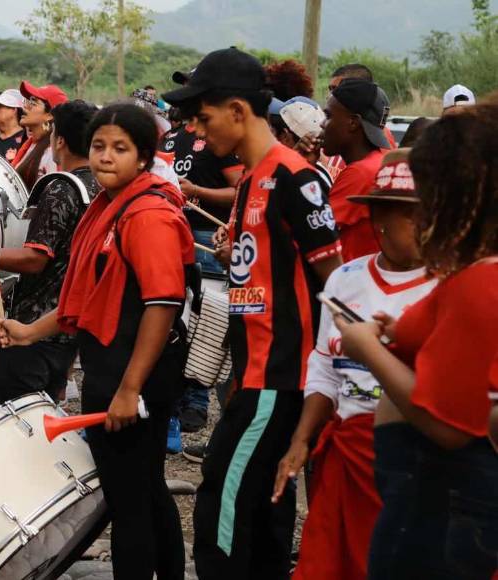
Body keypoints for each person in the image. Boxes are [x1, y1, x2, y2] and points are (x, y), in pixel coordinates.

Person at [162, 47, 343, 579]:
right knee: (266, 509)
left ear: (238, 111)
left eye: (203, 117)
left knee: (222, 504)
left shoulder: (294, 177)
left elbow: (336, 281)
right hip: (253, 374)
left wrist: (329, 382)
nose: (196, 130)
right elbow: (265, 273)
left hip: (280, 378)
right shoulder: (250, 179)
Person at [0, 102, 192, 579]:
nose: (106, 156)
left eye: (120, 148)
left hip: (135, 370)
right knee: (144, 488)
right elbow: (88, 297)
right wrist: (30, 331)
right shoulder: (108, 207)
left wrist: (130, 388)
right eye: (100, 146)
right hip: (114, 364)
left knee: (128, 499)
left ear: (144, 157)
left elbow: (162, 304)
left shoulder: (146, 215)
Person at [335, 102, 498, 580]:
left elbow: (448, 425)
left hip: (440, 499)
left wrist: (367, 349)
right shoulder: (472, 272)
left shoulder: (479, 283)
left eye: (427, 198)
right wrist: (400, 334)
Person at [271, 148, 436, 580]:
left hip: (414, 462)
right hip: (348, 456)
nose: (427, 226)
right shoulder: (346, 280)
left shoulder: (449, 285)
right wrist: (301, 439)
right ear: (378, 217)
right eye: (411, 215)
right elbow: (325, 366)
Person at [0, 100, 100, 408]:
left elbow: (35, 259)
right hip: (68, 324)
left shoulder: (61, 189)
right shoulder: (97, 186)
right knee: (44, 414)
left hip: (33, 328)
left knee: (12, 416)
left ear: (60, 141)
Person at [160, 67, 243, 438]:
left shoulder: (219, 141)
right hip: (173, 237)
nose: (184, 97)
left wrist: (196, 191)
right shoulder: (170, 139)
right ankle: (175, 405)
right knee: (176, 320)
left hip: (210, 238)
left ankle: (196, 403)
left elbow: (239, 190)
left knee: (204, 322)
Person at [322, 78, 390, 262]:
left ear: (353, 123)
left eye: (328, 116)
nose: (322, 124)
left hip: (352, 276)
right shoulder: (381, 160)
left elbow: (312, 234)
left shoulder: (359, 174)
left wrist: (302, 168)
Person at [12, 80, 67, 189]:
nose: (24, 107)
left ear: (49, 115)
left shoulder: (53, 153)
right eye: (27, 101)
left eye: (33, 103)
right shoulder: (30, 144)